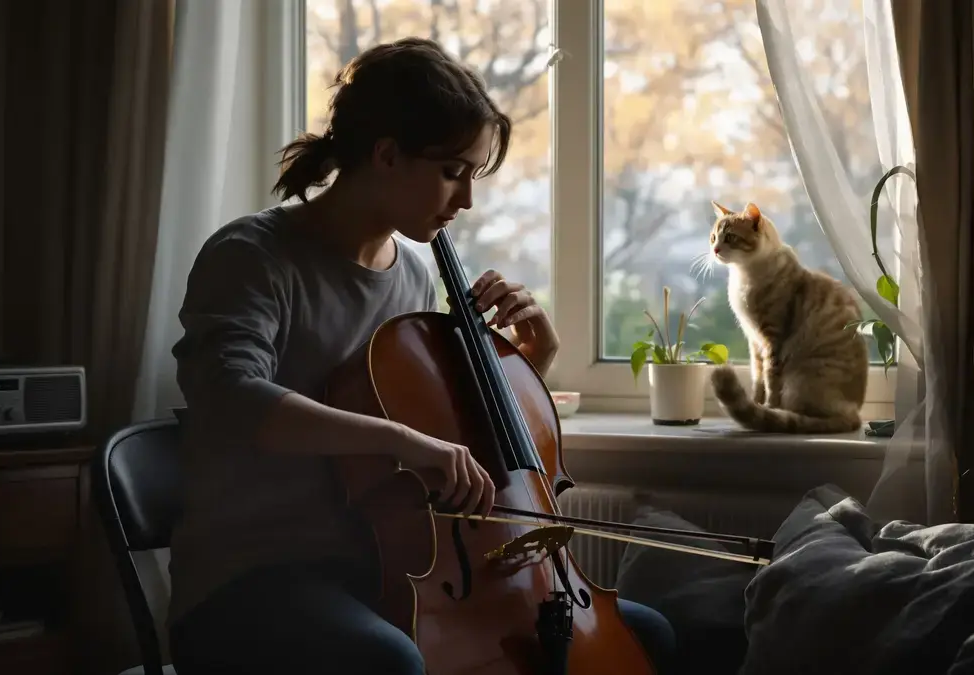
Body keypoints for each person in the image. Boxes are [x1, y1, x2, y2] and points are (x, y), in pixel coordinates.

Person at [166, 36, 678, 675]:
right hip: (253, 577)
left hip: (388, 566)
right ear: (386, 155)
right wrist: (402, 440)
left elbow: (436, 436)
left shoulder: (412, 272)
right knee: (390, 662)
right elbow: (231, 398)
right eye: (453, 172)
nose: (465, 200)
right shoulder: (253, 256)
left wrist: (526, 366)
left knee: (644, 634)